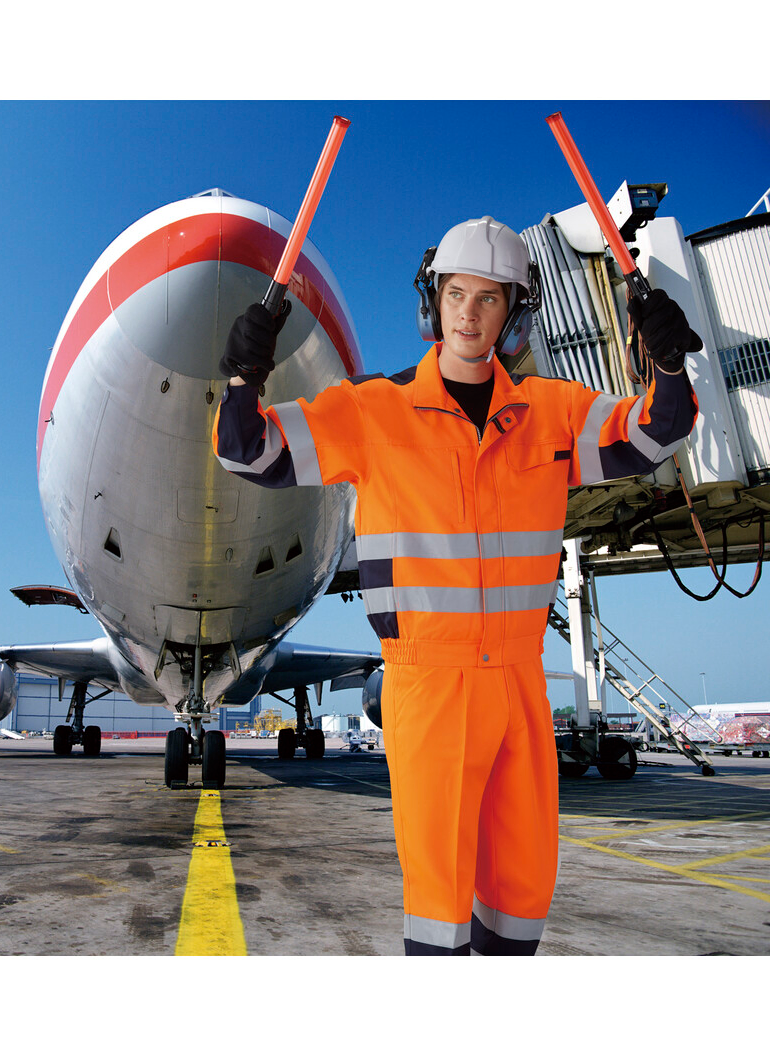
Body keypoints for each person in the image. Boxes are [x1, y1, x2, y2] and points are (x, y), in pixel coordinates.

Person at [212, 215, 701, 955]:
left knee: (522, 889)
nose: (468, 315)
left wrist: (666, 362)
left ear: (514, 313)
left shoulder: (551, 413)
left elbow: (654, 434)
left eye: (489, 299)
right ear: (432, 302)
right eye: (456, 295)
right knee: (439, 898)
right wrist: (244, 378)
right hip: (428, 686)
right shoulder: (372, 410)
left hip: (518, 684)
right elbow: (248, 452)